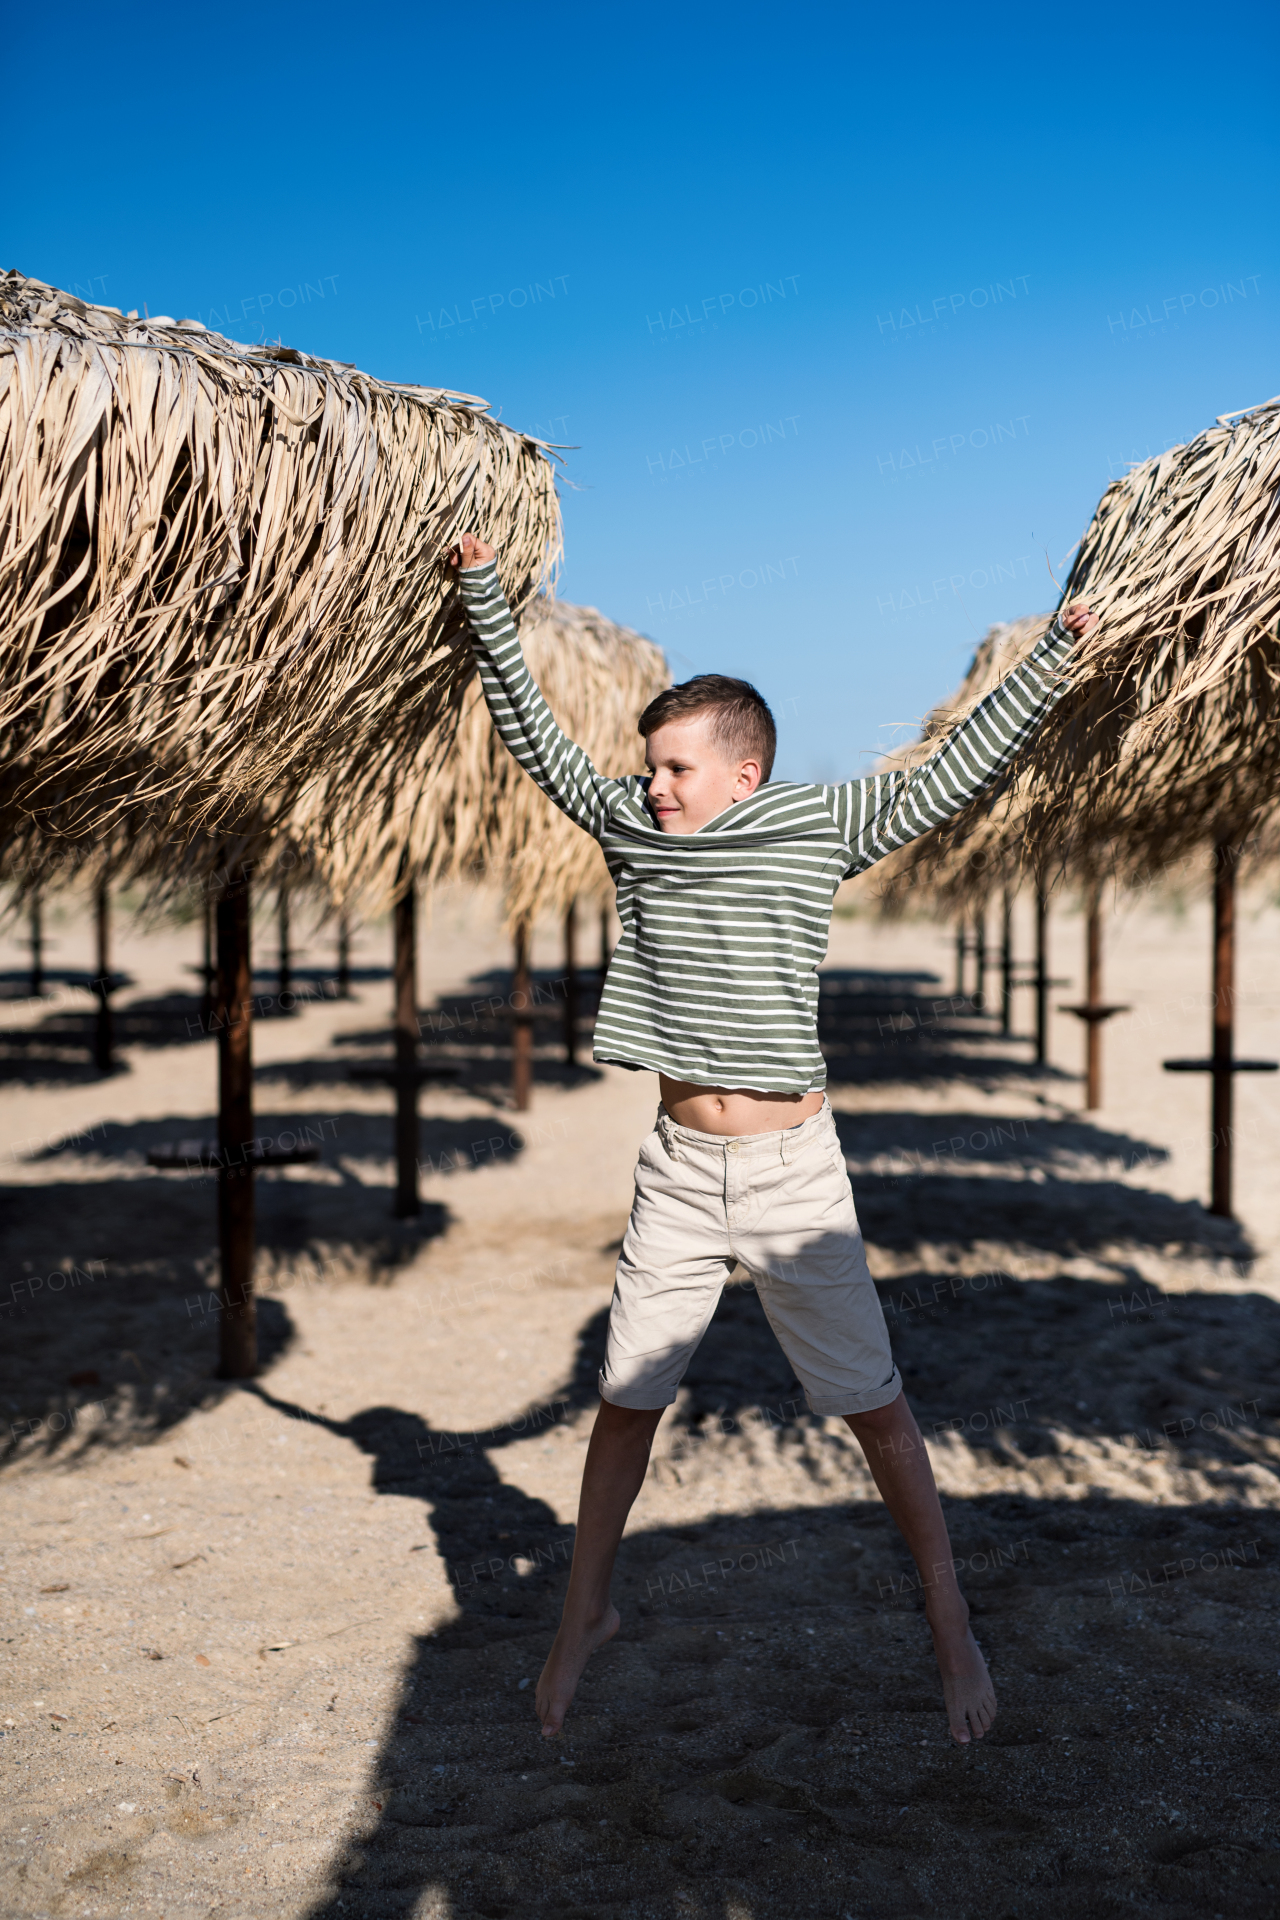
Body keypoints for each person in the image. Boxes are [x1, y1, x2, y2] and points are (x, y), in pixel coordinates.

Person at [450, 534, 1096, 1745]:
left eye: (678, 770)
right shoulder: (632, 829)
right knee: (625, 1396)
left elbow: (952, 772)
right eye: (649, 768)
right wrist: (485, 595)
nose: (653, 788)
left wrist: (1048, 663)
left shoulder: (815, 827)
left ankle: (949, 1620)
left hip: (797, 1176)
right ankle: (584, 1610)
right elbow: (530, 732)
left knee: (872, 1407)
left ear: (744, 773)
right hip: (677, 1175)